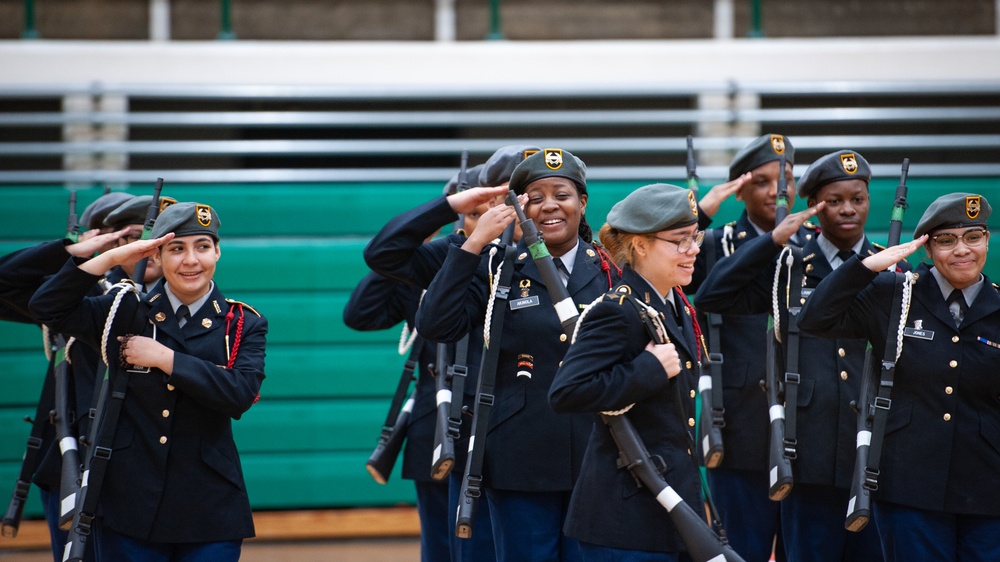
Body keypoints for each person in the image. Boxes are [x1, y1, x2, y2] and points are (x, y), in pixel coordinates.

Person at [28, 202, 267, 562]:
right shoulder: (124, 309)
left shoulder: (240, 322)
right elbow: (46, 306)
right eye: (176, 248)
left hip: (210, 505)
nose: (191, 261)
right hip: (128, 502)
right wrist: (110, 258)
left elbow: (240, 394)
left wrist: (163, 358)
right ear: (155, 253)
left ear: (217, 251)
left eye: (202, 246)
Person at [416, 148, 620, 562]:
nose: (549, 205)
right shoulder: (497, 269)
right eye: (534, 196)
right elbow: (437, 324)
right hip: (519, 461)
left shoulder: (612, 269)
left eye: (561, 194)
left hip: (597, 455)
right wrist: (474, 242)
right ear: (516, 206)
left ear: (582, 202)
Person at [695, 150, 891, 561]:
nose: (848, 210)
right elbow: (712, 296)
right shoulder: (789, 266)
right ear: (814, 206)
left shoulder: (888, 268)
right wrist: (771, 241)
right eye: (834, 201)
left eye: (858, 198)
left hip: (873, 447)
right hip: (808, 449)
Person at [798, 192, 1000, 562]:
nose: (962, 250)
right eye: (946, 240)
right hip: (909, 486)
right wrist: (865, 267)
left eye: (973, 237)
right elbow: (814, 319)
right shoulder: (896, 294)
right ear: (926, 249)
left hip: (987, 488)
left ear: (987, 241)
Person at [343, 164, 496, 562]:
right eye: (473, 212)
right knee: (442, 547)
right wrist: (418, 244)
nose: (482, 221)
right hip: (437, 423)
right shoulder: (433, 263)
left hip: (497, 422)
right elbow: (361, 314)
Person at [548, 183, 705, 560]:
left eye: (695, 237)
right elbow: (567, 391)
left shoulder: (673, 303)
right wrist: (647, 369)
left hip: (665, 504)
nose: (693, 249)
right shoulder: (618, 310)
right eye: (680, 241)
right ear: (640, 245)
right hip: (625, 518)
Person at [686, 133, 816, 562]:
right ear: (740, 189)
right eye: (762, 181)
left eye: (787, 180)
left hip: (808, 425)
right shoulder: (715, 243)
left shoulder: (812, 246)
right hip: (738, 423)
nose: (779, 191)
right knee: (742, 551)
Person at [0, 191, 147, 562]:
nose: (142, 246)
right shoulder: (76, 295)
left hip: (143, 467)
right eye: (127, 236)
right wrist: (72, 249)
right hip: (73, 457)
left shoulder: (171, 293)